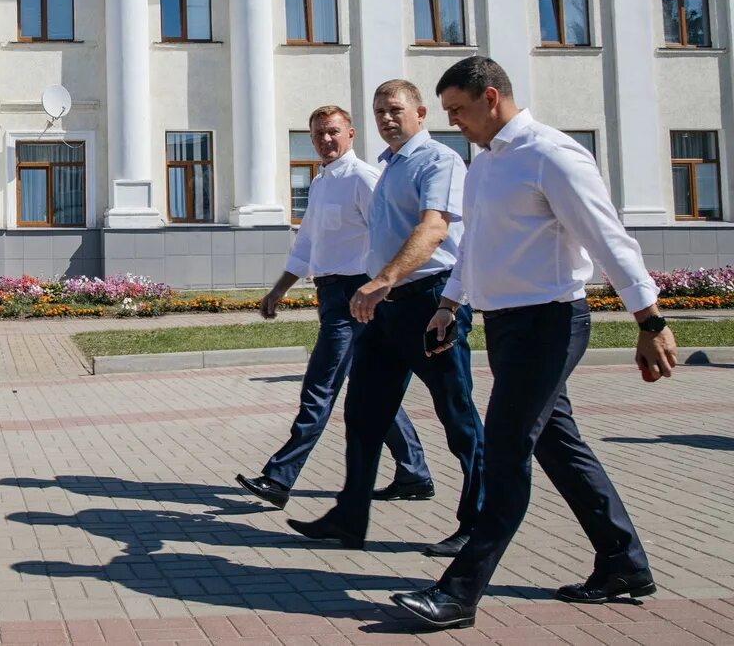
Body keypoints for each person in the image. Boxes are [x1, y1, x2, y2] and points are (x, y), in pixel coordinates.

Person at [392, 57, 678, 631]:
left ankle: (460, 592)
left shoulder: (551, 153)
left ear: (490, 97)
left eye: (458, 111)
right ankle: (623, 560)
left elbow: (607, 235)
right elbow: (477, 248)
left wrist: (649, 320)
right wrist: (449, 304)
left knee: (505, 448)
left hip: (551, 322)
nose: (454, 123)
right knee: (557, 444)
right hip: (506, 325)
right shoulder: (486, 164)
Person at [287, 80, 484, 557]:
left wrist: (384, 279)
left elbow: (433, 228)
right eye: (379, 111)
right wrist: (374, 286)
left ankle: (479, 521)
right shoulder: (386, 166)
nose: (387, 119)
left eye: (395, 110)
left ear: (420, 113)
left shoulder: (439, 160)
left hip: (430, 303)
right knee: (363, 413)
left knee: (456, 415)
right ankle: (350, 516)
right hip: (385, 306)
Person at [236, 106, 435, 512]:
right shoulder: (321, 181)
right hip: (330, 295)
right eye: (317, 135)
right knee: (373, 390)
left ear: (350, 134)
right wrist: (278, 290)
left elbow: (389, 235)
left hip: (354, 297)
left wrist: (378, 287)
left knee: (319, 389)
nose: (325, 140)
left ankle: (279, 477)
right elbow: (307, 243)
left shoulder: (363, 178)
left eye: (332, 132)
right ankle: (414, 472)